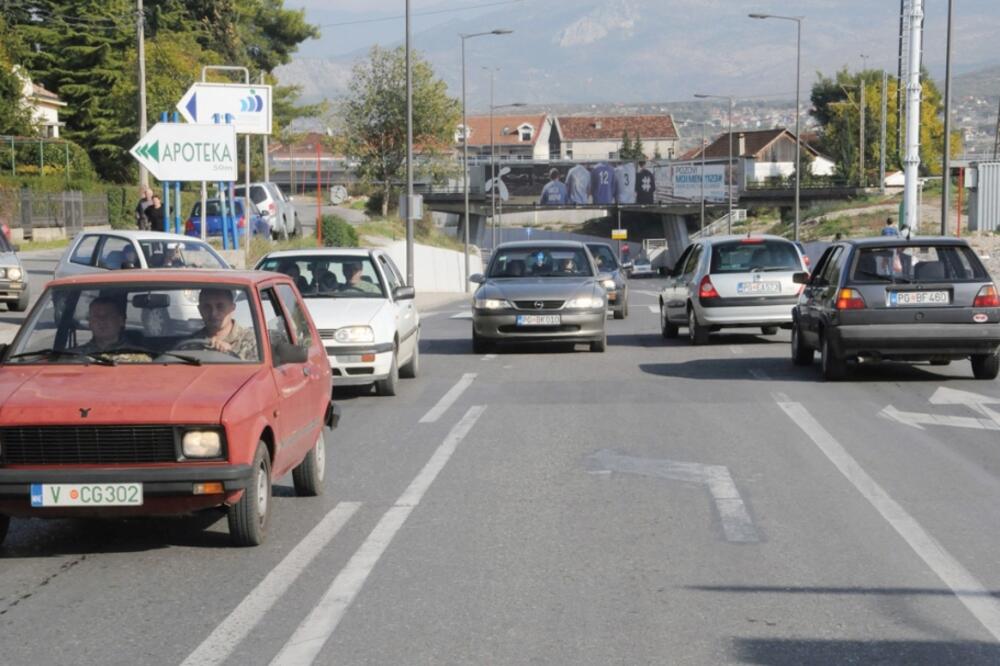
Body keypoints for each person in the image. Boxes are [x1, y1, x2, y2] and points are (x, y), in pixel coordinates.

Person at [185, 288, 258, 360]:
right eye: (207, 307)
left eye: (220, 306)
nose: (213, 313)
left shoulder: (252, 341)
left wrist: (231, 355)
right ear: (200, 310)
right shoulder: (191, 343)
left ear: (232, 308)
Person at [76, 297, 149, 362]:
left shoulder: (141, 357)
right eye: (96, 316)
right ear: (89, 322)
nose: (101, 320)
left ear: (121, 321)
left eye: (108, 315)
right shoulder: (74, 357)